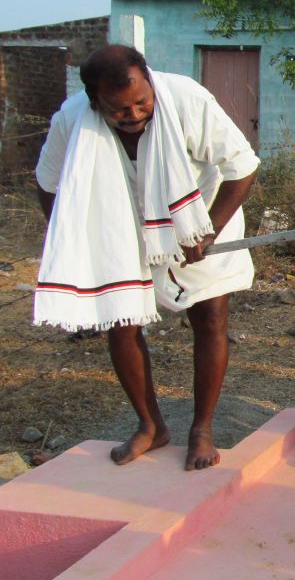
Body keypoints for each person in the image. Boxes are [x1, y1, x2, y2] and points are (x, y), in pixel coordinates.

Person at [34, 45, 260, 471]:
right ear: (93, 100)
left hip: (200, 216)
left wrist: (207, 228)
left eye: (141, 102)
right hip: (120, 228)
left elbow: (242, 165)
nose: (134, 114)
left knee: (210, 318)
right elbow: (47, 183)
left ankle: (201, 429)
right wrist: (72, 242)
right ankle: (151, 425)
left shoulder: (187, 98)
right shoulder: (71, 120)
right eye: (119, 109)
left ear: (150, 82)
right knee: (121, 321)